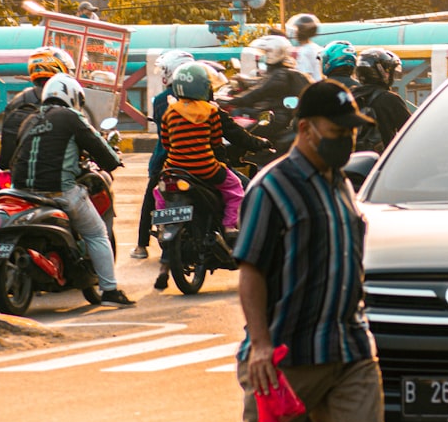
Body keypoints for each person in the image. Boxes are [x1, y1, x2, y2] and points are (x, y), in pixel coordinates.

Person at [177, 79, 388, 422]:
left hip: (350, 349)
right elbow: (251, 270)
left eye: (351, 131)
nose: (346, 140)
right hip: (291, 355)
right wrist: (259, 345)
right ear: (307, 128)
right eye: (338, 130)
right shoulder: (272, 187)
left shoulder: (340, 183)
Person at [10, 73, 134, 308]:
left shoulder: (29, 119)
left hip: (21, 192)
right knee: (97, 232)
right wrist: (113, 161)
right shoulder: (71, 116)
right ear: (72, 97)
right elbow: (98, 145)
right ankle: (109, 291)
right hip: (58, 192)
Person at [159, 61, 245, 240]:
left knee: (159, 191)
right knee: (235, 187)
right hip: (206, 168)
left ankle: (162, 224)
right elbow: (215, 140)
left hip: (176, 168)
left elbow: (166, 142)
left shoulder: (170, 111)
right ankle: (229, 226)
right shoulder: (211, 111)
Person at [130, 49, 194, 263]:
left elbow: (162, 132)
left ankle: (141, 244)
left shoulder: (160, 100)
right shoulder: (202, 93)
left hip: (166, 158)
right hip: (197, 157)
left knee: (151, 196)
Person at [0, 46, 76, 172]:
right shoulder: (64, 97)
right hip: (54, 172)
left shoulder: (18, 100)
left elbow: (6, 143)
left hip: (16, 171)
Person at [226, 35, 312, 137]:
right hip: (273, 113)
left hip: (276, 116)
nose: (264, 56)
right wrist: (245, 82)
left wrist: (234, 101)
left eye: (266, 53)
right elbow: (261, 84)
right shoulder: (280, 72)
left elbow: (260, 91)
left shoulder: (279, 75)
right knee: (240, 112)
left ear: (275, 53)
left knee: (241, 136)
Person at [353, 47, 411, 153]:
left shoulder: (349, 96)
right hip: (382, 161)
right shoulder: (390, 99)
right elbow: (411, 133)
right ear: (381, 72)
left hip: (352, 161)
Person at [286, 13, 323, 82]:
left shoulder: (304, 51)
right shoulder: (316, 47)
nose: (295, 33)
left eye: (296, 30)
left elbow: (305, 76)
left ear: (301, 32)